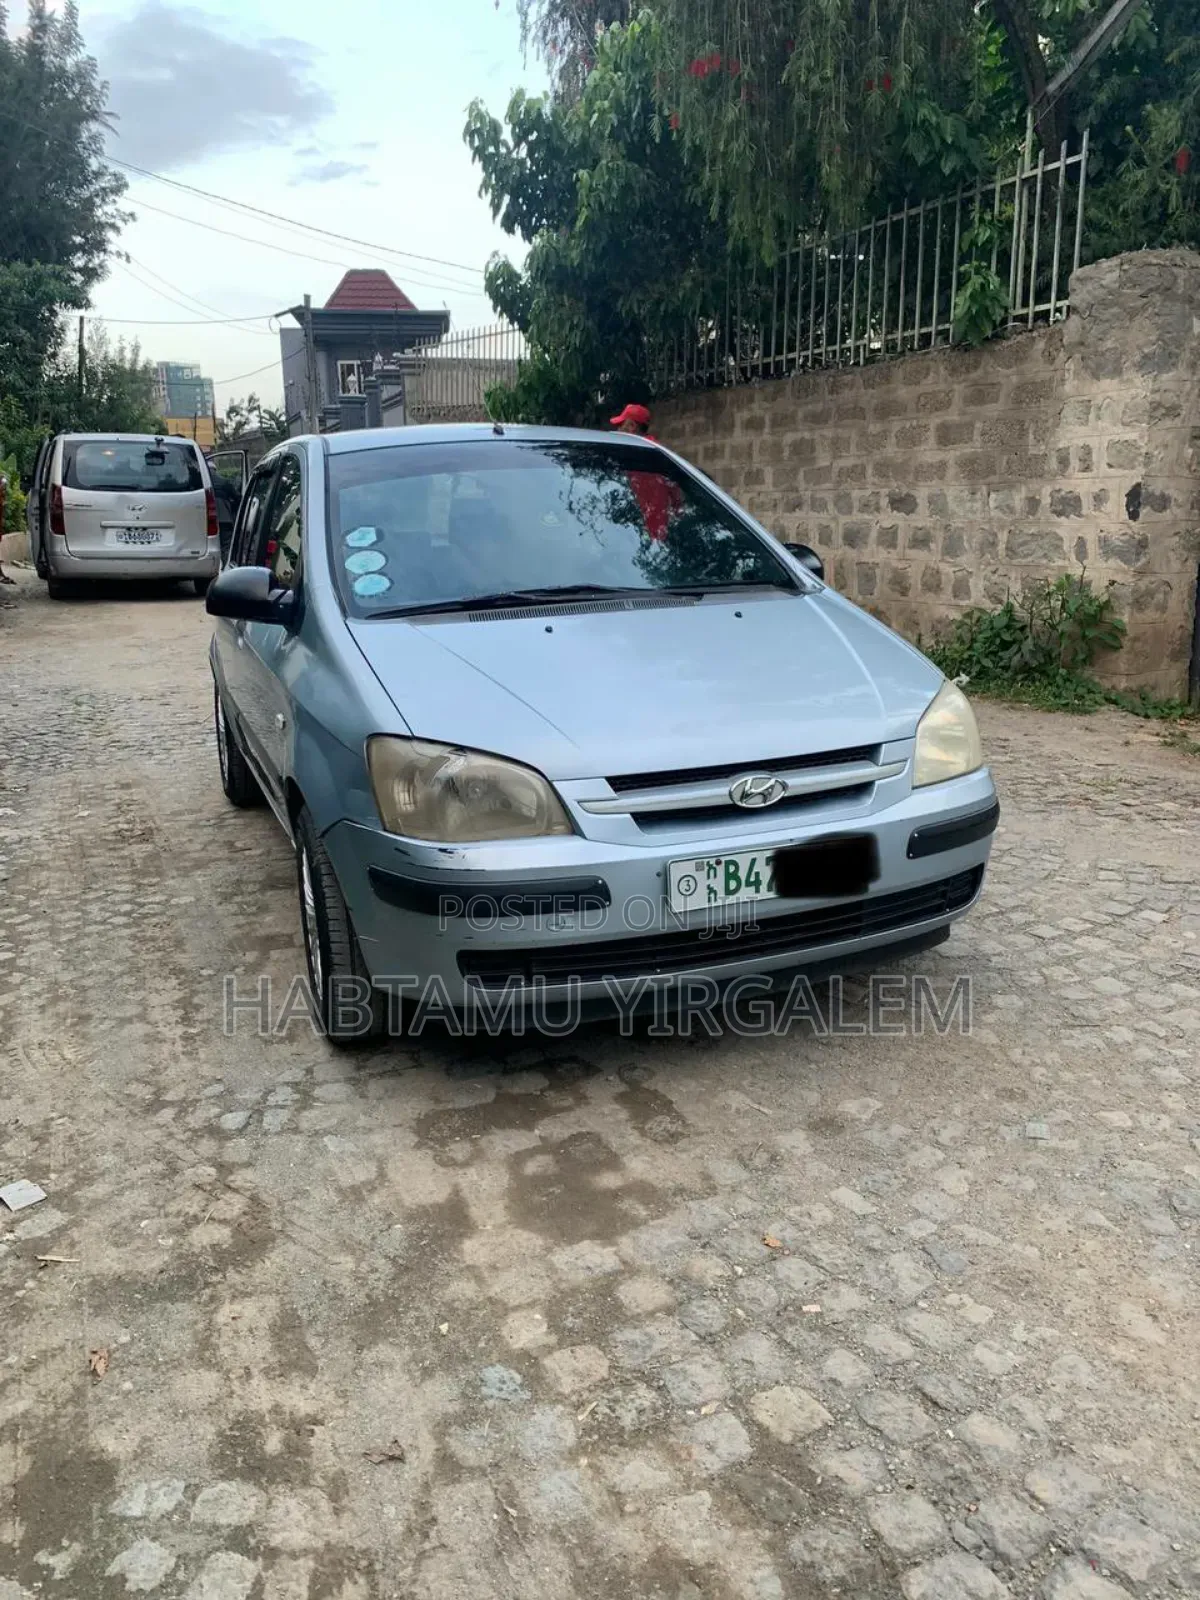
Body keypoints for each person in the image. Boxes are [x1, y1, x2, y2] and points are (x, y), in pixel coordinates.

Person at [609, 402, 680, 540]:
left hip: (648, 533)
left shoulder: (636, 455)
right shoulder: (658, 452)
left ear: (632, 427)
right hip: (661, 532)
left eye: (620, 425)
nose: (618, 430)